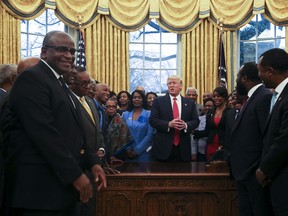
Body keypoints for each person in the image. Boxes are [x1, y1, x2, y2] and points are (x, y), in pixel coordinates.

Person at [1, 31, 106, 216]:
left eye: (72, 51)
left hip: (58, 189)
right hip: (38, 191)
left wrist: (92, 162)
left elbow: (73, 131)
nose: (69, 55)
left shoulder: (59, 83)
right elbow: (44, 133)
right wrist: (75, 174)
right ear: (44, 52)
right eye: (61, 49)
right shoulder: (32, 78)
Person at [229, 62, 272, 216]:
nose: (236, 82)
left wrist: (261, 169)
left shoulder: (264, 97)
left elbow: (267, 136)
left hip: (254, 173)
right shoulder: (251, 98)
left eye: (237, 78)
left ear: (245, 79)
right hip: (244, 172)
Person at [256, 48, 288, 216]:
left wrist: (264, 170)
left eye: (259, 70)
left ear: (269, 71)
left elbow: (284, 140)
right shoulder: (278, 95)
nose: (258, 75)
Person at [150, 75, 199, 162]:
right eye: (169, 83)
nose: (171, 85)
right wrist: (168, 124)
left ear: (180, 86)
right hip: (163, 148)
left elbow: (195, 121)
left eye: (174, 83)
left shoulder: (189, 103)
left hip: (183, 148)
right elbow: (153, 120)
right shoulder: (158, 101)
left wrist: (186, 125)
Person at [194, 86, 230, 161]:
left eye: (218, 96)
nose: (216, 98)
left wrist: (224, 145)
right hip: (210, 145)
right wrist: (193, 131)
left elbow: (230, 131)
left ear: (224, 97)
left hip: (223, 147)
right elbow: (207, 131)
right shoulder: (211, 112)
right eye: (214, 96)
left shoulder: (230, 111)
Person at [122, 90, 155, 162]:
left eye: (139, 97)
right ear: (131, 100)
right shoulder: (125, 114)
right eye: (134, 97)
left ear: (143, 100)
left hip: (145, 153)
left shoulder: (149, 114)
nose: (137, 99)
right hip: (128, 153)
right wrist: (128, 149)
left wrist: (137, 150)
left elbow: (150, 135)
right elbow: (123, 134)